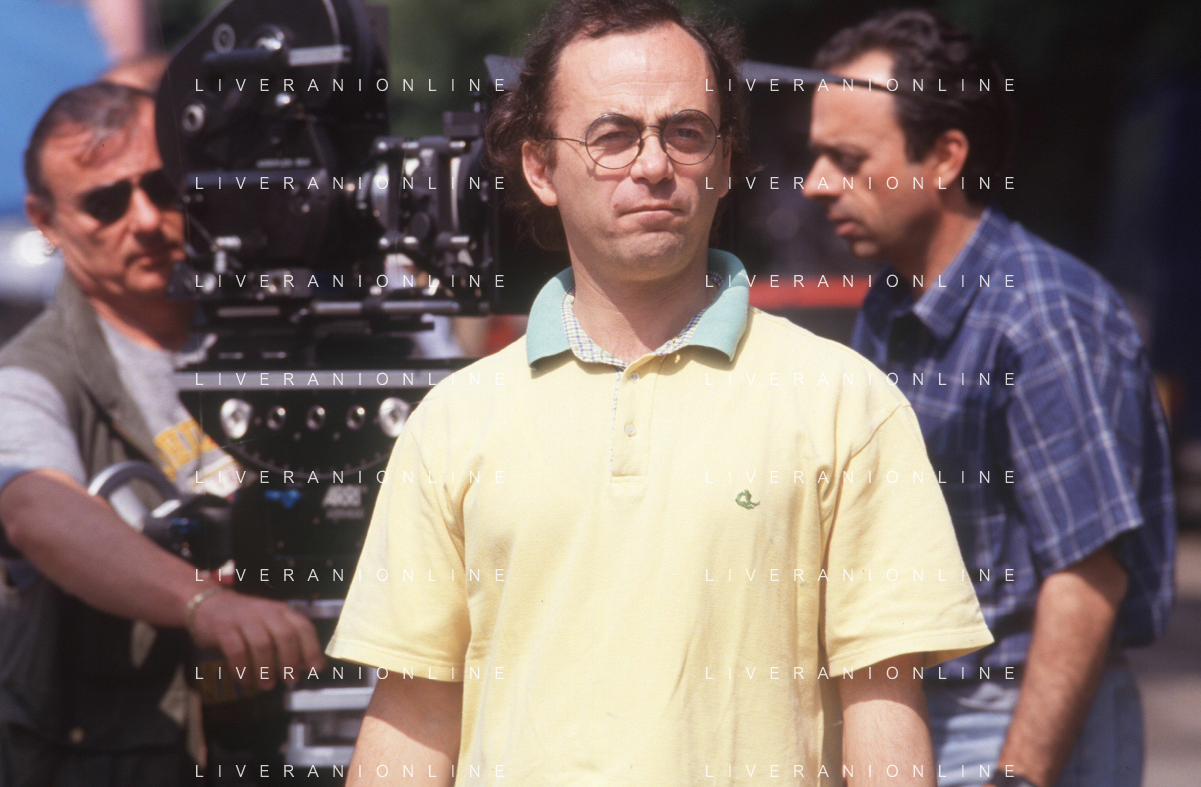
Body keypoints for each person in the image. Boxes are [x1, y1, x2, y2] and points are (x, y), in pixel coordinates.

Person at [327, 1, 993, 784]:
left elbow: (884, 712)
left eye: (685, 132)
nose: (652, 165)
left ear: (724, 161)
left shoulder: (847, 404)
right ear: (539, 167)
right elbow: (413, 715)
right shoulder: (452, 422)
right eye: (611, 136)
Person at [804, 10, 1175, 787]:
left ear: (945, 157)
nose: (816, 183)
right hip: (915, 711)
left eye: (847, 158)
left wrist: (1018, 775)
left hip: (1012, 720)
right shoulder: (889, 302)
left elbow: (1087, 579)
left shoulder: (1041, 313)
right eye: (817, 157)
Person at [0, 82, 325, 786]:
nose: (145, 219)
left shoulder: (289, 331)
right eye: (105, 203)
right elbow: (35, 508)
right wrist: (202, 603)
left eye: (161, 186)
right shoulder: (29, 375)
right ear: (45, 221)